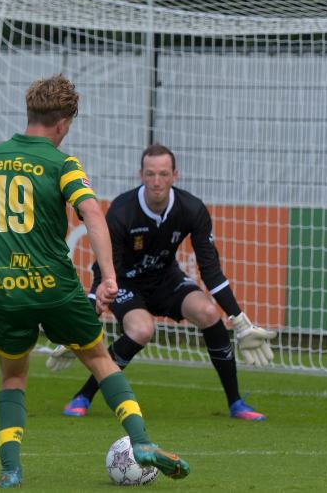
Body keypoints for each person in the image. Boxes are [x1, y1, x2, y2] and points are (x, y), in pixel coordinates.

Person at [0, 76, 189, 488]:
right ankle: (142, 442)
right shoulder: (63, 164)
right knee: (99, 360)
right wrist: (109, 278)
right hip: (54, 287)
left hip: (4, 289)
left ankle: (10, 470)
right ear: (62, 122)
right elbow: (92, 213)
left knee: (12, 378)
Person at [47, 144, 276, 422]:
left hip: (167, 279)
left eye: (163, 174)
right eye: (151, 174)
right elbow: (104, 271)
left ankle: (236, 402)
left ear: (175, 176)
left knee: (208, 313)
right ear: (141, 175)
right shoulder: (122, 211)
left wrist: (239, 320)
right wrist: (85, 320)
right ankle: (83, 396)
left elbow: (211, 271)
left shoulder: (191, 208)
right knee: (142, 329)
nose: (157, 181)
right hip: (125, 282)